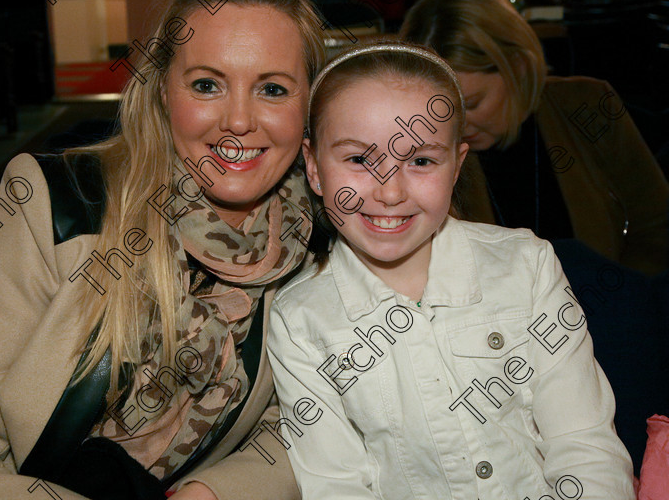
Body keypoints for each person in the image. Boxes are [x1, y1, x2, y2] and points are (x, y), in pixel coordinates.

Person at [0, 0, 325, 500]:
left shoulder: (319, 240)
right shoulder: (57, 205)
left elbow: (300, 425)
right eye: (207, 85)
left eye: (273, 88)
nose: (239, 120)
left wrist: (213, 491)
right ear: (162, 90)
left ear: (309, 108)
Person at [266, 40, 636, 499]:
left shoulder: (526, 265)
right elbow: (336, 485)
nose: (390, 191)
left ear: (457, 166)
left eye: (420, 161)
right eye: (360, 159)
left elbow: (583, 444)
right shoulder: (300, 319)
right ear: (315, 168)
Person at [400, 0, 669, 276]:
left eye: (473, 104)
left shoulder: (587, 105)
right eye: (438, 113)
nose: (455, 127)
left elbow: (658, 225)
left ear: (518, 68)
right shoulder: (418, 151)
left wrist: (623, 298)